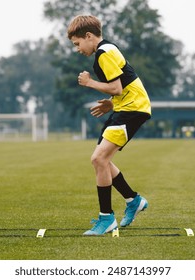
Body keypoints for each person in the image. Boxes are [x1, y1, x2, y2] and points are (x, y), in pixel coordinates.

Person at [67, 15, 152, 236]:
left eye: (77, 44)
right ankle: (133, 201)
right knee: (101, 160)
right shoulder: (108, 50)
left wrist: (89, 83)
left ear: (88, 36)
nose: (77, 49)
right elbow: (123, 86)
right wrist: (111, 104)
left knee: (99, 159)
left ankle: (107, 218)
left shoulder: (104, 54)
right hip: (126, 107)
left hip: (133, 109)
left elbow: (116, 87)